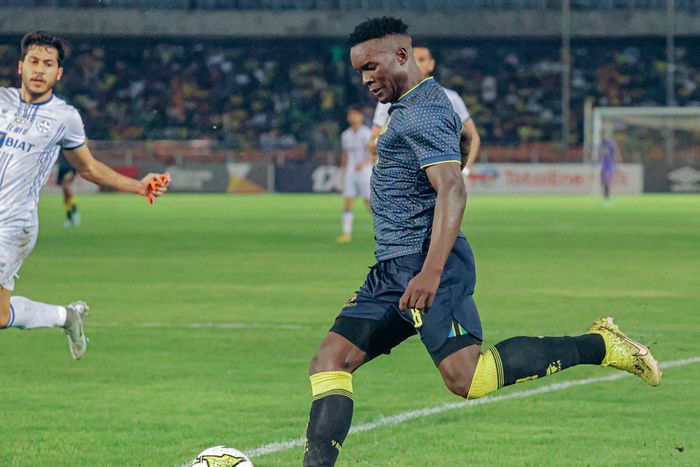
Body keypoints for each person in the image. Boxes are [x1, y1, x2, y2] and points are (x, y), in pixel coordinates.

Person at [302, 17, 661, 466]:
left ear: (401, 56)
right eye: (360, 72)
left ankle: (602, 345)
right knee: (330, 361)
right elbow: (463, 140)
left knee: (468, 379)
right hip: (392, 268)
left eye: (371, 67)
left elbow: (453, 188)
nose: (366, 80)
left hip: (428, 264)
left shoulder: (423, 110)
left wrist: (431, 272)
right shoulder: (413, 106)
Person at [0, 32, 170, 359]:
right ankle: (67, 316)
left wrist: (139, 186)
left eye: (48, 64)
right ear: (20, 66)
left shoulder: (65, 118)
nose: (40, 70)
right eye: (34, 62)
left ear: (59, 73)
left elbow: (89, 168)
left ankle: (65, 317)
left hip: (12, 225)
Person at [368, 43, 480, 181]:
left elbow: (473, 137)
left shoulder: (450, 98)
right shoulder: (389, 99)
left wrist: (465, 171)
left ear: (431, 64)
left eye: (421, 60)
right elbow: (373, 141)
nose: (416, 64)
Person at [337, 106, 373, 243]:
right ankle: (346, 233)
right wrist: (344, 169)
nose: (353, 117)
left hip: (365, 171)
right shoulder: (345, 135)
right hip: (351, 171)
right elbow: (344, 154)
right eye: (351, 115)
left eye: (355, 115)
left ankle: (384, 228)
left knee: (368, 202)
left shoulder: (367, 133)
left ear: (361, 117)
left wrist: (363, 163)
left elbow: (373, 154)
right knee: (348, 200)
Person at [56, 151, 80, 227]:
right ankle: (69, 217)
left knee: (67, 188)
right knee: (65, 195)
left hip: (70, 167)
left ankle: (74, 214)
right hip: (62, 167)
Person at [597, 131, 619, 201]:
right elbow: (599, 154)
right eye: (601, 135)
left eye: (603, 135)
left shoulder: (611, 144)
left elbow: (615, 152)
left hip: (610, 164)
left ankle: (607, 193)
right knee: (603, 179)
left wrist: (616, 162)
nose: (602, 137)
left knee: (608, 179)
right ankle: (605, 193)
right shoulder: (600, 144)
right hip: (603, 164)